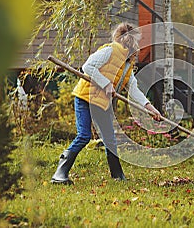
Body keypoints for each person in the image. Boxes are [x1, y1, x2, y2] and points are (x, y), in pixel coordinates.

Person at [51, 22, 161, 184]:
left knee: (110, 139)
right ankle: (59, 174)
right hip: (85, 97)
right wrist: (106, 84)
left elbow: (133, 89)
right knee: (84, 136)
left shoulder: (127, 64)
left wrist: (149, 107)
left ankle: (118, 176)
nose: (137, 45)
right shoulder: (110, 50)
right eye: (135, 41)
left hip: (101, 103)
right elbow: (87, 67)